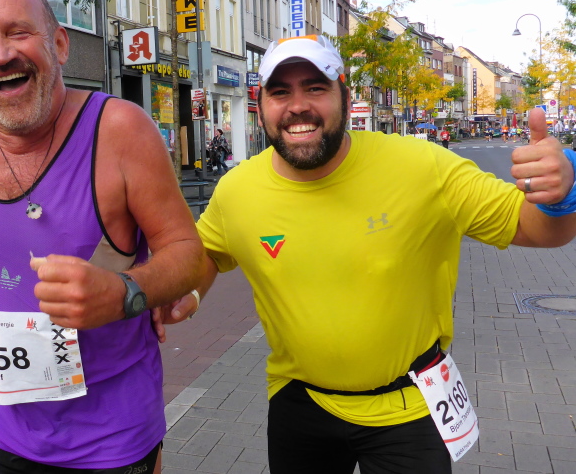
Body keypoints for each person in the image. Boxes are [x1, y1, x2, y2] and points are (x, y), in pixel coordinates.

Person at [155, 34, 576, 473]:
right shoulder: (238, 190)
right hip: (300, 401)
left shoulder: (423, 166)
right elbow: (207, 253)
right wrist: (188, 291)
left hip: (410, 405)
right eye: (280, 92)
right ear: (261, 106)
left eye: (315, 88)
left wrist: (561, 194)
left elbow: (538, 231)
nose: (298, 106)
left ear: (345, 95)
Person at [0, 0, 204, 473]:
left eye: (18, 33)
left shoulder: (120, 130)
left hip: (109, 427)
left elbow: (187, 252)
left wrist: (125, 291)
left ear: (60, 44)